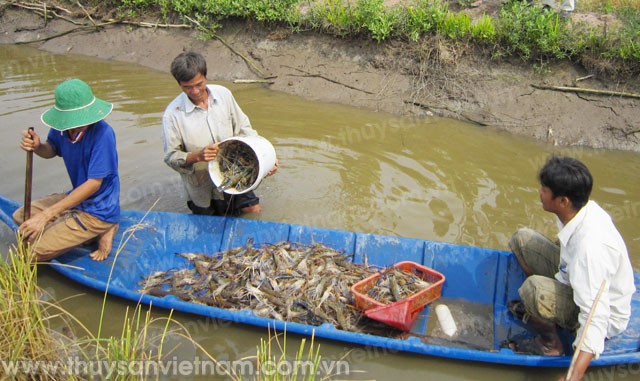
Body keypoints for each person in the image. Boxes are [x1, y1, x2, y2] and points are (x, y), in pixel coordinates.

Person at [508, 156, 635, 380]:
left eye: (545, 190)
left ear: (563, 201)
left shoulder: (590, 250)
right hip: (572, 275)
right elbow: (565, 245)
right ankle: (547, 308)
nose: (540, 192)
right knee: (522, 240)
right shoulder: (579, 211)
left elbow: (596, 317)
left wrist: (573, 377)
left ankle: (551, 342)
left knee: (533, 290)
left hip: (603, 312)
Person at [13, 78, 120, 262]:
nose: (79, 123)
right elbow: (52, 150)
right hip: (77, 199)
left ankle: (107, 225)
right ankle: (77, 228)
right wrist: (38, 146)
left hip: (98, 208)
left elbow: (94, 184)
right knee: (21, 216)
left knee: (32, 253)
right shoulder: (61, 128)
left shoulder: (103, 134)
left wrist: (47, 215)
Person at [162, 51, 277, 216]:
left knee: (253, 210)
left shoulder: (223, 95)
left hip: (235, 169)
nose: (194, 91)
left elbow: (244, 128)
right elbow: (170, 157)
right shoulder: (172, 114)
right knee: (209, 225)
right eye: (187, 87)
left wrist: (268, 159)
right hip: (202, 186)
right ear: (179, 84)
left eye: (199, 84)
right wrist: (198, 156)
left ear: (205, 77)